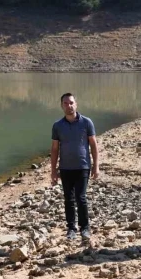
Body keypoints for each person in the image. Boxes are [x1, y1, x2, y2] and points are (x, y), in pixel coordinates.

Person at [51, 93, 100, 240]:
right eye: (65, 103)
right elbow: (54, 149)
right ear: (62, 106)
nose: (69, 106)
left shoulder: (86, 122)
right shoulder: (57, 126)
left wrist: (95, 167)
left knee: (81, 197)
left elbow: (93, 145)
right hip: (65, 168)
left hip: (83, 166)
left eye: (71, 103)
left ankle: (85, 228)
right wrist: (53, 171)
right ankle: (71, 228)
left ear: (76, 104)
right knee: (68, 199)